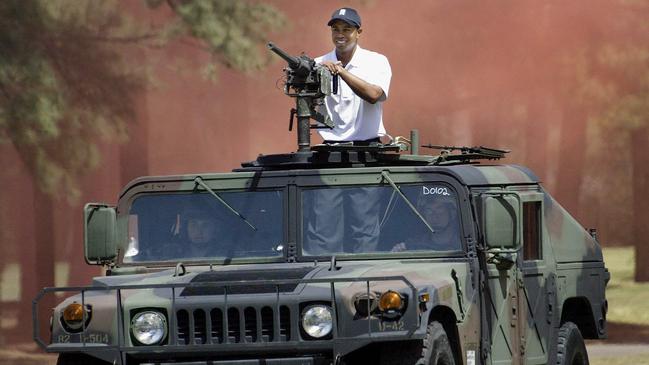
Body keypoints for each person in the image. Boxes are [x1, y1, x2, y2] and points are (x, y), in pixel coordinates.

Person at [315, 7, 392, 144]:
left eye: (346, 29)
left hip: (368, 146)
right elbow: (308, 103)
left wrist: (341, 71)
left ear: (358, 32)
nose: (340, 35)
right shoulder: (319, 63)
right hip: (330, 146)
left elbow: (373, 95)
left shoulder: (377, 61)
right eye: (335, 29)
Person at [391, 194, 462, 252]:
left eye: (440, 210)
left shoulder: (464, 245)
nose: (434, 216)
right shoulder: (414, 245)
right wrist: (398, 250)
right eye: (429, 210)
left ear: (452, 213)